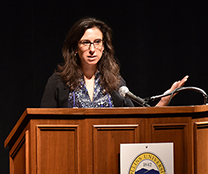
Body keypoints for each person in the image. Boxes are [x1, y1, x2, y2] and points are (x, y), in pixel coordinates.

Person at [40, 17, 188, 108]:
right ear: (75, 48)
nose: (92, 49)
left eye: (97, 42)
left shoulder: (115, 83)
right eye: (85, 43)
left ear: (104, 47)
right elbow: (43, 126)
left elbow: (138, 122)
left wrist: (163, 101)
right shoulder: (58, 82)